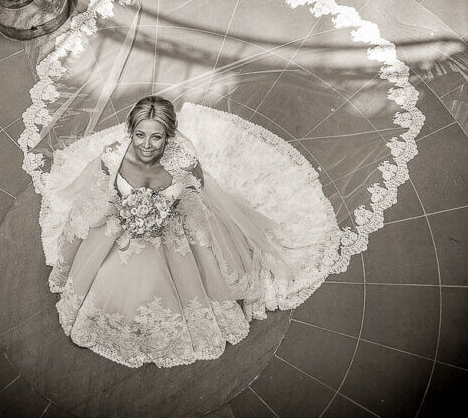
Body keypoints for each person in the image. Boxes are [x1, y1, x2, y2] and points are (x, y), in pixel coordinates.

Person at [41, 95, 339, 368]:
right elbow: (98, 198)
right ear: (129, 132)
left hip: (172, 236)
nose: (146, 145)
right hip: (120, 235)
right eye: (139, 135)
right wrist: (126, 214)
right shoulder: (112, 158)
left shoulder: (183, 163)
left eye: (156, 137)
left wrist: (166, 211)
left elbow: (200, 194)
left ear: (169, 137)